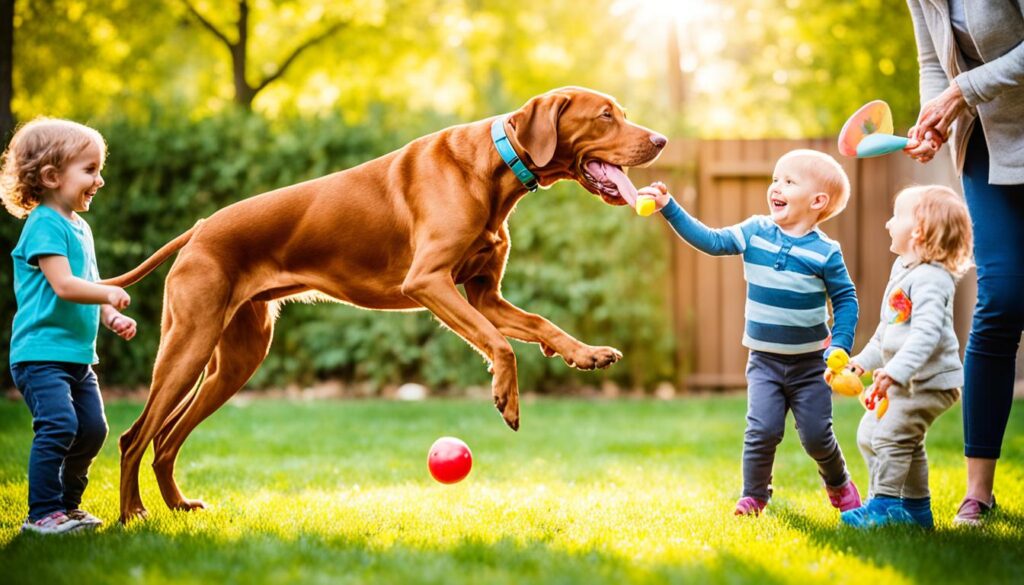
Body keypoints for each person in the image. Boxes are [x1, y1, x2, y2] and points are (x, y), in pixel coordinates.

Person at [639, 150, 861, 516]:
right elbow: (712, 241)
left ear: (817, 201)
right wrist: (668, 206)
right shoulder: (755, 230)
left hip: (811, 367)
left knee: (818, 437)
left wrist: (840, 344)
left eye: (789, 182)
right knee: (762, 430)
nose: (776, 186)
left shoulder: (826, 252)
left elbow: (846, 299)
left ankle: (838, 483)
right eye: (775, 179)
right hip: (765, 362)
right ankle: (754, 495)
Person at [903, 1, 1024, 525]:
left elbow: (960, 82)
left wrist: (962, 91)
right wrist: (935, 115)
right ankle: (979, 492)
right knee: (1000, 300)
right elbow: (935, 61)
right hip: (986, 145)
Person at [1, 118, 137, 534]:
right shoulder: (44, 223)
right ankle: (41, 513)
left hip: (76, 356)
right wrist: (109, 294)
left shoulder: (80, 227)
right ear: (51, 175)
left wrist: (109, 314)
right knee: (60, 425)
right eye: (90, 169)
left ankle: (68, 507)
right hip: (40, 354)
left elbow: (87, 283)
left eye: (99, 168)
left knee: (93, 429)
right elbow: (64, 285)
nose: (99, 179)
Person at [841, 185, 973, 529]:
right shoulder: (905, 270)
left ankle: (883, 506)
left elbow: (926, 335)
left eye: (896, 216)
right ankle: (916, 511)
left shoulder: (932, 278)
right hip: (908, 378)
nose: (887, 223)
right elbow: (888, 330)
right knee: (873, 434)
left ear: (921, 230)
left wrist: (895, 372)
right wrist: (864, 362)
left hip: (928, 382)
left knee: (890, 436)